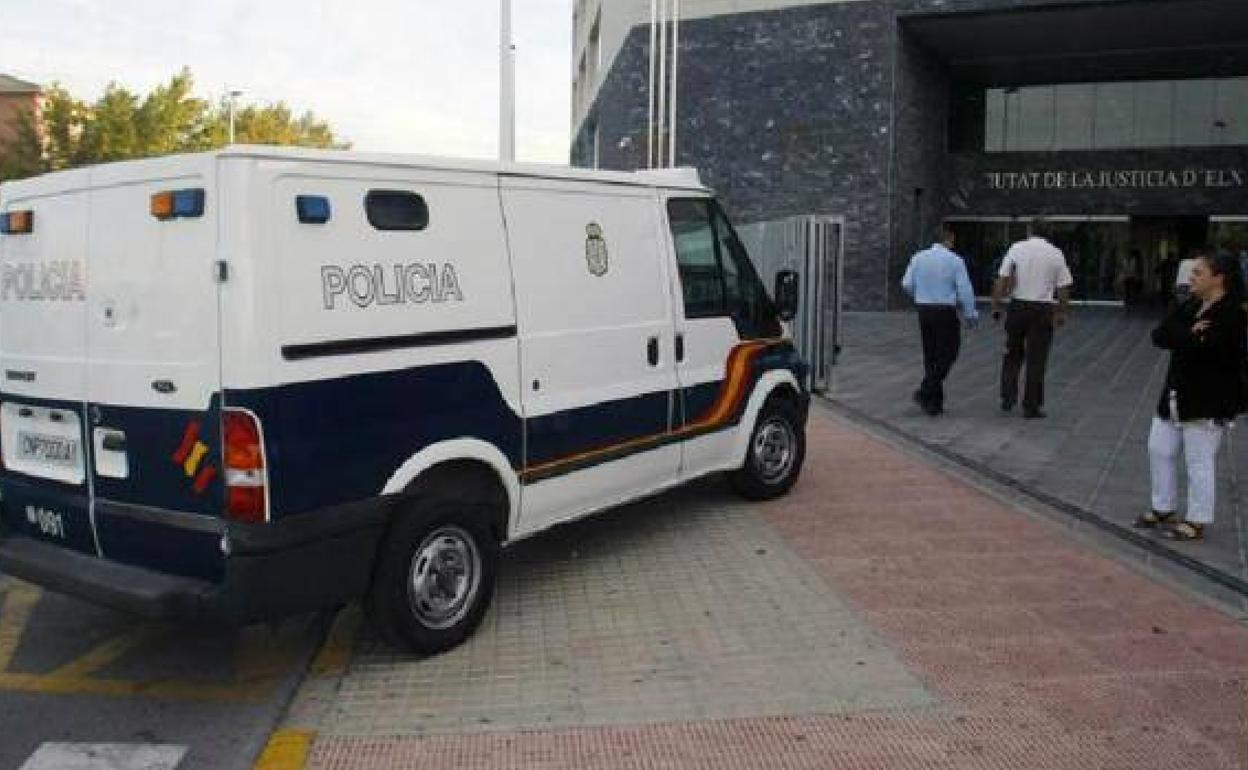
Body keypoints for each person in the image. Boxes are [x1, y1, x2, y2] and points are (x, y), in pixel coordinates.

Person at [1136, 251, 1248, 541]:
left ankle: (1197, 519)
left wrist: (1185, 336)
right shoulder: (1191, 305)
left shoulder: (1233, 313)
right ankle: (1163, 507)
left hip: (1207, 398)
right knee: (1159, 448)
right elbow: (1159, 335)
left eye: (1198, 273)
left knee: (1199, 460)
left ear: (1218, 278)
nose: (1191, 278)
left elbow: (1209, 345)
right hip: (1174, 394)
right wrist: (1190, 333)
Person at [991, 219, 1073, 419]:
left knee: (1012, 353)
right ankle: (1031, 405)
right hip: (1042, 309)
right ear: (1048, 233)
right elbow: (1063, 287)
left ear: (1030, 230)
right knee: (1037, 358)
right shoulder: (1055, 253)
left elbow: (1002, 277)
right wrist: (1061, 312)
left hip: (1018, 306)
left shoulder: (1017, 248)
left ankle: (1008, 397)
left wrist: (997, 304)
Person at [901, 225, 978, 416]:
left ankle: (934, 402)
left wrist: (919, 296)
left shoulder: (918, 257)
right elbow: (964, 289)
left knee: (931, 354)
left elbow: (906, 283)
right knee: (949, 352)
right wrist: (970, 314)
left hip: (924, 309)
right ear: (949, 239)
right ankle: (926, 390)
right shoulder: (955, 261)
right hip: (945, 311)